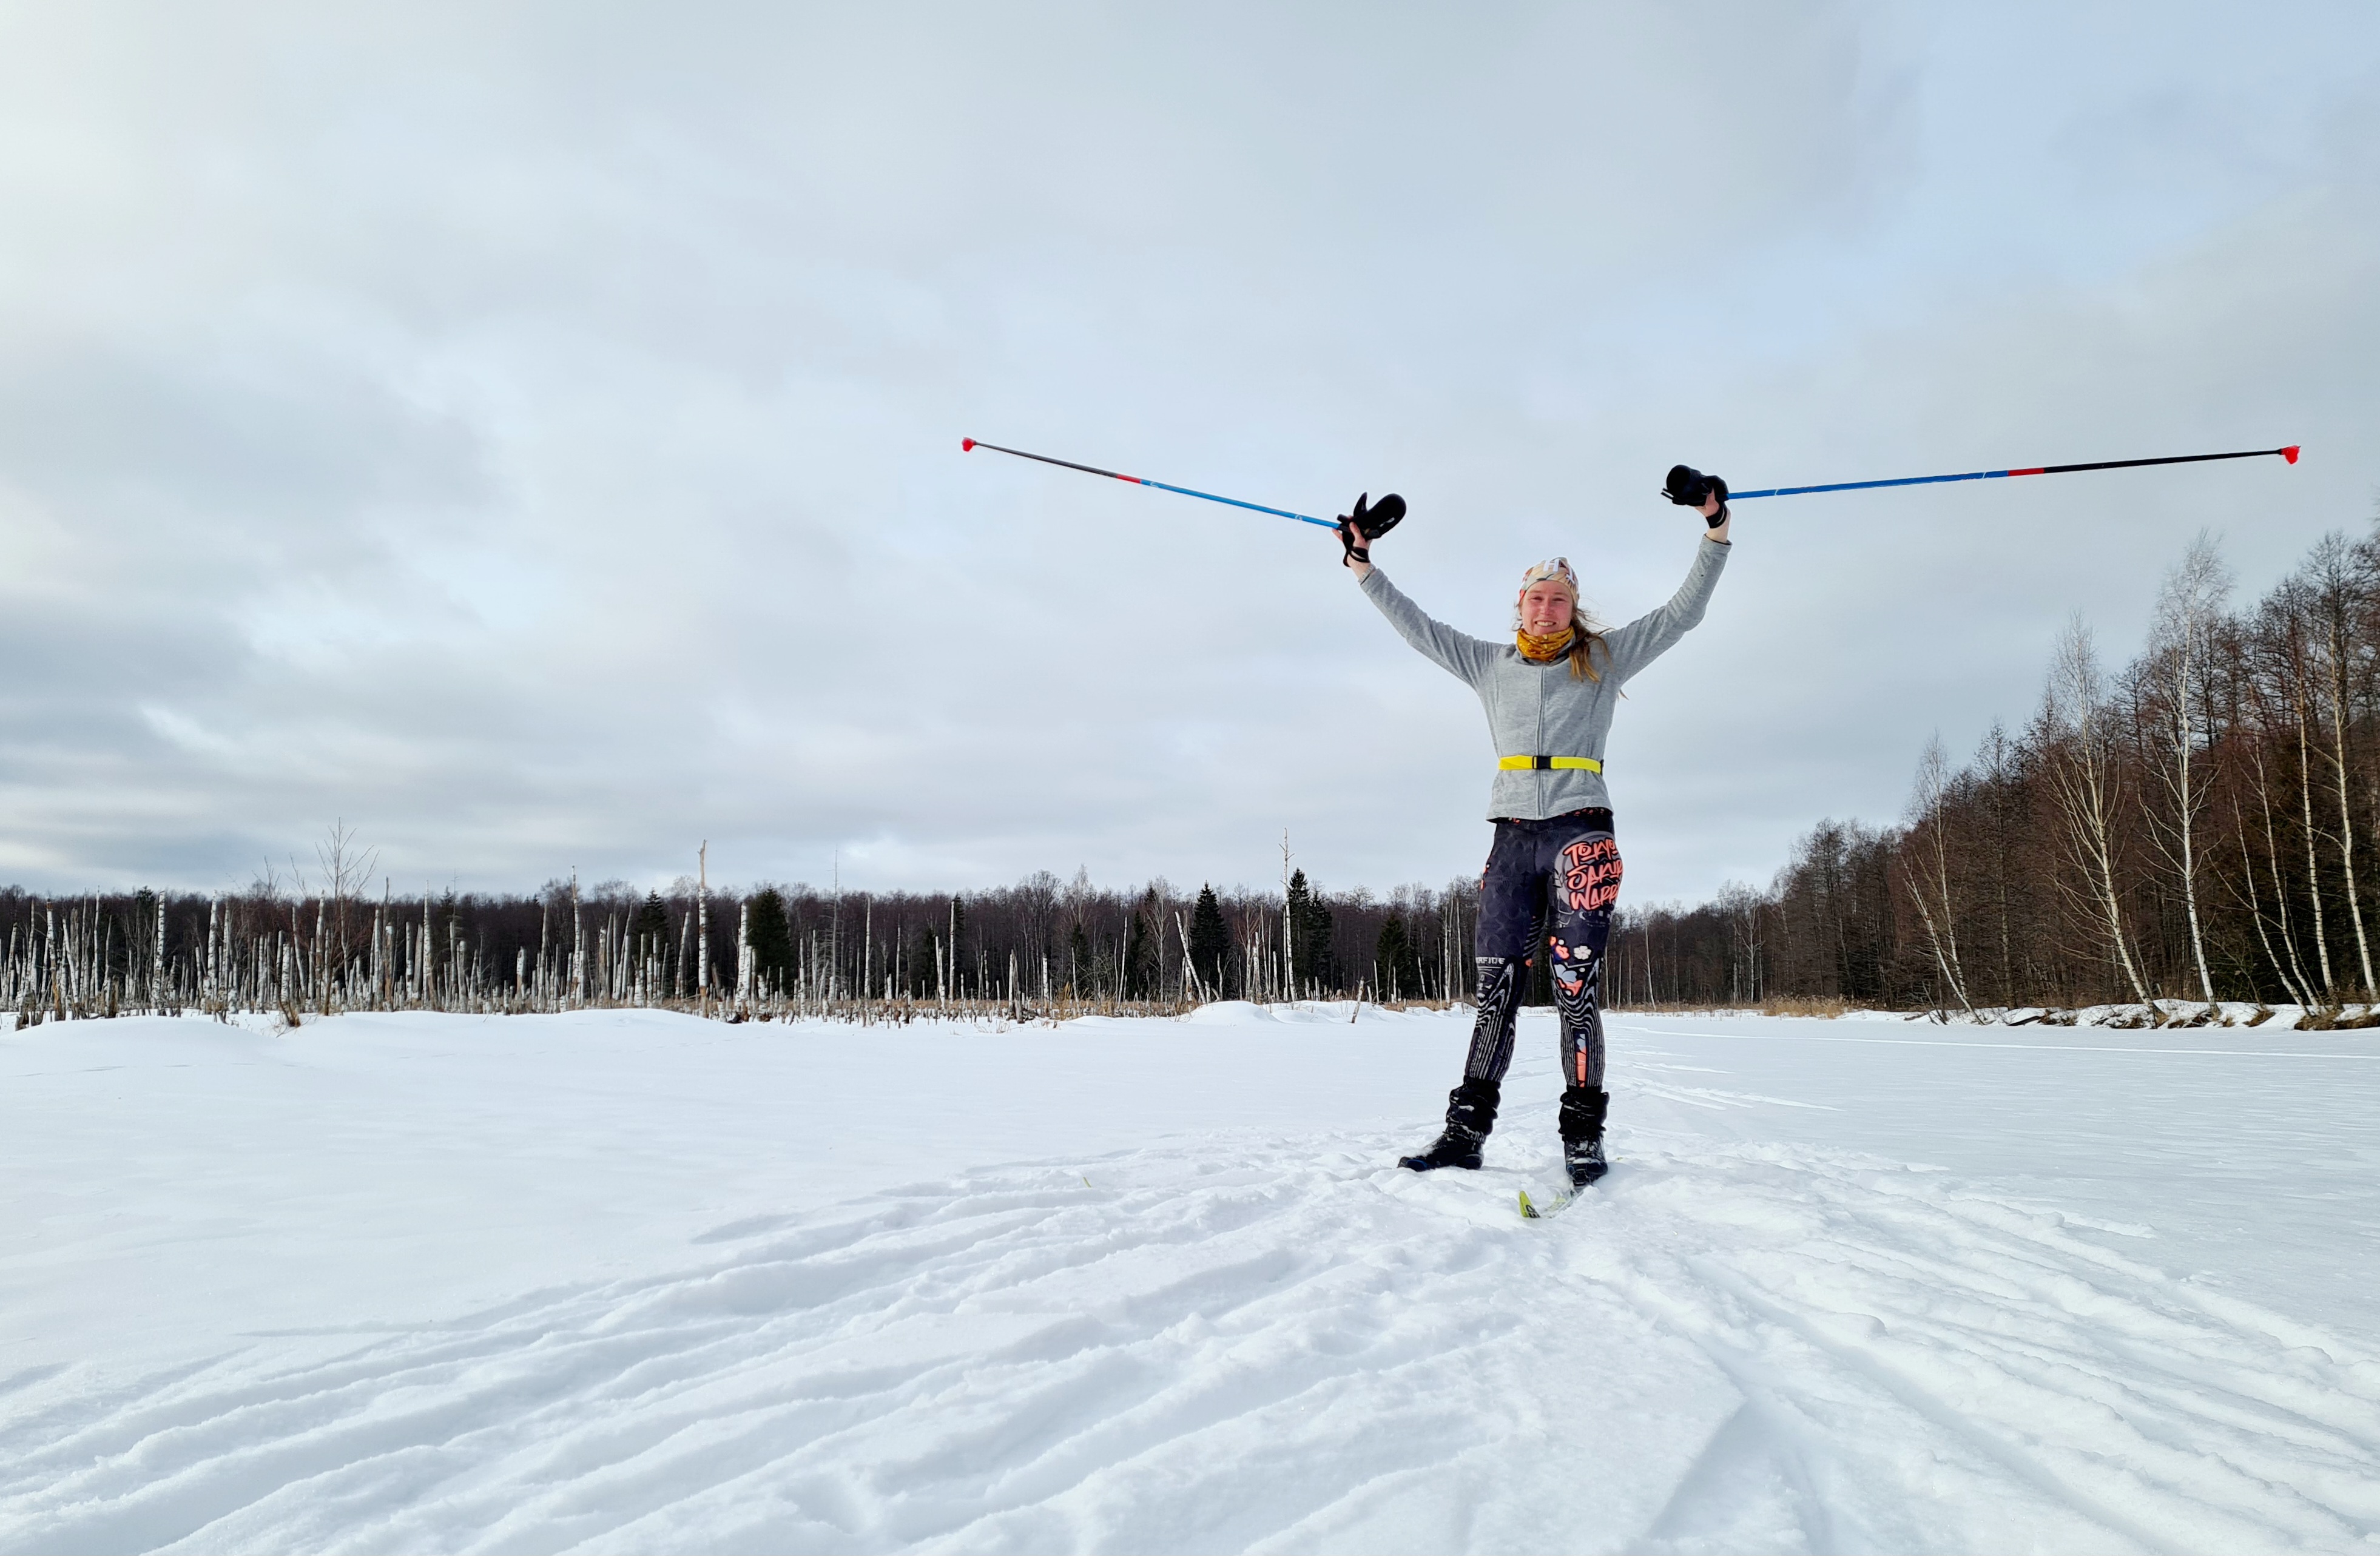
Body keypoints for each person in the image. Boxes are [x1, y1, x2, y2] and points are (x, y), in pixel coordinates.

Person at [1339, 476, 1730, 1188]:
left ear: (1572, 609)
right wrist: (1361, 563)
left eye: (1558, 600)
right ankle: (1464, 1135)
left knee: (1574, 986)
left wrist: (1713, 526)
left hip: (1581, 832)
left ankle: (1582, 1138)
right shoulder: (1488, 664)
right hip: (1512, 838)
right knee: (1496, 989)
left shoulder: (1603, 659)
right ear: (1518, 604)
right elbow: (1415, 626)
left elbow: (1682, 614)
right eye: (1535, 598)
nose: (1546, 608)